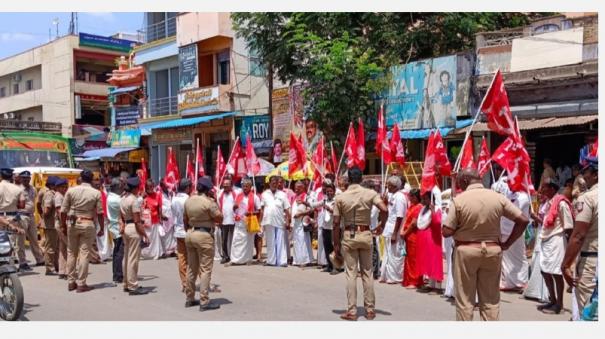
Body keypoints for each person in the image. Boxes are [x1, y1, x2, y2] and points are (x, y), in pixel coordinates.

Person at [442, 169, 529, 321]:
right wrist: (507, 243)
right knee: (490, 301)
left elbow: (447, 231)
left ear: (464, 181)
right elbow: (523, 220)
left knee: (465, 301)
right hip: (492, 250)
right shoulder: (498, 198)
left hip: (466, 251)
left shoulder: (459, 200)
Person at [332, 167, 388, 321]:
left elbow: (336, 223)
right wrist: (382, 225)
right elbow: (384, 208)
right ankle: (370, 310)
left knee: (351, 273)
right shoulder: (370, 193)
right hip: (366, 234)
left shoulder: (341, 197)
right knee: (367, 273)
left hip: (349, 236)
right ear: (361, 178)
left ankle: (351, 311)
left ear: (349, 179)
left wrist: (335, 244)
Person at [562, 158, 598, 319]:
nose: (584, 177)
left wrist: (565, 265)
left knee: (590, 312)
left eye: (586, 172)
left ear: (596, 175)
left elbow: (578, 235)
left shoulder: (588, 198)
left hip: (593, 261)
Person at [60, 170, 104, 293]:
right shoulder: (96, 193)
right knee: (84, 253)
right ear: (91, 179)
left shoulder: (71, 190)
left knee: (71, 252)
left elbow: (63, 211)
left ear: (81, 178)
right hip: (87, 222)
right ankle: (81, 283)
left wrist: (63, 225)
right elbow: (100, 213)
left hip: (72, 223)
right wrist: (102, 228)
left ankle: (71, 281)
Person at [183, 176, 223, 311]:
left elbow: (185, 219)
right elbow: (219, 218)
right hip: (204, 235)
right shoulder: (209, 202)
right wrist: (215, 202)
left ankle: (189, 298)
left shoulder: (189, 201)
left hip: (190, 233)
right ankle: (204, 301)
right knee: (205, 269)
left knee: (191, 268)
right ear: (208, 190)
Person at [536, 180, 573, 314]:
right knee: (544, 271)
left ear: (552, 188)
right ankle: (552, 300)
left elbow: (569, 227)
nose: (542, 190)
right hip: (546, 240)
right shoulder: (548, 203)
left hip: (556, 241)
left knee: (557, 274)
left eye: (545, 187)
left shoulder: (561, 203)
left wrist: (570, 248)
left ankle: (559, 305)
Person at [493, 184, 530, 291]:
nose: (509, 183)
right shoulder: (508, 194)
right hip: (504, 228)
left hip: (516, 230)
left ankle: (521, 282)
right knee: (505, 258)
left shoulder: (523, 197)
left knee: (519, 256)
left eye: (511, 180)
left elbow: (515, 211)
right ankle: (508, 282)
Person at [120, 176, 150, 295]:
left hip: (126, 227)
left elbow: (121, 217)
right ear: (136, 188)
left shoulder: (123, 198)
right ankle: (133, 285)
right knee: (133, 258)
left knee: (126, 257)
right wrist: (144, 234)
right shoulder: (134, 200)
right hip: (133, 228)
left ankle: (126, 283)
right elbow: (137, 221)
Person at [379, 176, 406, 284]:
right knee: (387, 253)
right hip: (388, 228)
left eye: (389, 185)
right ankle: (385, 275)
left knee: (394, 253)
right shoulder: (392, 196)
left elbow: (399, 216)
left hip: (395, 229)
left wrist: (395, 233)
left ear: (395, 186)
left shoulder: (400, 197)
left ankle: (395, 277)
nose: (387, 187)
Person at [15, 171, 45, 269]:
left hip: (31, 216)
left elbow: (34, 201)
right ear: (20, 179)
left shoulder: (33, 189)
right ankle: (22, 262)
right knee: (21, 240)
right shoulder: (18, 189)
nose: (26, 179)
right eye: (24, 178)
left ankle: (39, 259)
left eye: (28, 178)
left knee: (34, 239)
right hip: (21, 215)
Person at [416, 190, 444, 291]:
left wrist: (432, 211)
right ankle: (431, 285)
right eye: (423, 198)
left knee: (434, 260)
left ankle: (437, 286)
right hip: (423, 238)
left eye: (426, 198)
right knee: (427, 261)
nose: (423, 200)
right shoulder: (423, 209)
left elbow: (437, 223)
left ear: (431, 199)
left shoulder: (437, 209)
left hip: (433, 239)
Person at [260, 176, 291, 267]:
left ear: (278, 184)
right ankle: (271, 261)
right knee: (270, 241)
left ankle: (282, 261)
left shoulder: (282, 194)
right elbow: (262, 209)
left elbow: (286, 209)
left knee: (280, 240)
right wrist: (260, 222)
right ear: (269, 183)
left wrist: (288, 221)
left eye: (276, 183)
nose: (274, 184)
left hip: (279, 220)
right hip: (268, 220)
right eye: (272, 183)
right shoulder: (264, 194)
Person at [229, 178, 261, 265]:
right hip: (239, 222)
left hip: (249, 221)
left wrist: (250, 212)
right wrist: (234, 207)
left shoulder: (255, 197)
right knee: (236, 240)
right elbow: (234, 209)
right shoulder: (238, 196)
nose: (245, 188)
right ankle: (235, 260)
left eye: (247, 186)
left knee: (248, 241)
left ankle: (247, 259)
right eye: (243, 186)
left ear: (250, 187)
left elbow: (259, 210)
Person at [0, 169, 26, 271]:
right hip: (12, 217)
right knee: (11, 242)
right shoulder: (18, 189)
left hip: (1, 217)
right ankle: (11, 264)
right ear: (11, 177)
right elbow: (22, 205)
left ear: (1, 176)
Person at [400, 189, 424, 288]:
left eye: (411, 196)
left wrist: (405, 232)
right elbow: (406, 219)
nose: (409, 198)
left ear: (415, 197)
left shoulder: (418, 207)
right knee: (409, 258)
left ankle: (415, 281)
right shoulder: (411, 206)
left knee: (414, 258)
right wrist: (402, 230)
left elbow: (413, 223)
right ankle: (409, 279)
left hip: (414, 235)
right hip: (408, 235)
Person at [172, 178, 192, 292]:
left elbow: (174, 213)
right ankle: (192, 282)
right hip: (187, 230)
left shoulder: (174, 199)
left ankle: (184, 283)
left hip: (178, 230)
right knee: (193, 258)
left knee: (182, 258)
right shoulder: (188, 199)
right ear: (187, 188)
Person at [291, 181, 314, 267]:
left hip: (302, 222)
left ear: (303, 187)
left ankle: (304, 260)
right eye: (295, 187)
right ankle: (297, 260)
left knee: (303, 240)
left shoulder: (306, 196)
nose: (296, 189)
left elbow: (311, 209)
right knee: (296, 241)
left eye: (299, 187)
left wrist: (300, 214)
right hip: (295, 223)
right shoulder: (294, 196)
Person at [217, 178, 240, 264]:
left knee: (234, 239)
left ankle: (234, 256)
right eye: (224, 184)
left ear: (231, 185)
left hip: (233, 220)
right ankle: (225, 256)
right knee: (224, 240)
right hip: (224, 220)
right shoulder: (220, 194)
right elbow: (218, 207)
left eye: (227, 184)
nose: (225, 185)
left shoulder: (235, 194)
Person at [106, 178, 124, 283]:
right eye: (121, 186)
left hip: (115, 227)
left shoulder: (114, 197)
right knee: (118, 253)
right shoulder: (115, 199)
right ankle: (117, 275)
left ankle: (117, 274)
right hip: (117, 228)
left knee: (117, 252)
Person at [140, 179, 162, 260]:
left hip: (155, 220)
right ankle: (146, 254)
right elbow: (139, 207)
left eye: (152, 186)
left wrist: (160, 217)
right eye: (149, 187)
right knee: (147, 237)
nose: (151, 188)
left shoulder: (157, 195)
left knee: (154, 238)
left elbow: (159, 208)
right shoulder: (142, 196)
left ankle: (154, 254)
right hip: (145, 221)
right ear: (146, 187)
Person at [41, 175, 59, 275]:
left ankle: (55, 266)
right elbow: (47, 210)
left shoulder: (54, 194)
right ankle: (50, 268)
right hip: (50, 225)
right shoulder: (49, 194)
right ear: (52, 185)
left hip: (53, 224)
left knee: (55, 247)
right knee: (50, 248)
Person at [54, 178, 69, 279]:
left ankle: (62, 271)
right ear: (58, 188)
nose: (64, 189)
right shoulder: (58, 197)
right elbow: (60, 212)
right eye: (62, 187)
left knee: (63, 248)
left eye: (65, 187)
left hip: (61, 223)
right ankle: (68, 271)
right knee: (70, 247)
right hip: (60, 223)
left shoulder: (61, 196)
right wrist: (64, 225)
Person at [159, 179, 176, 257]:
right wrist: (161, 215)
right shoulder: (159, 194)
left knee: (171, 233)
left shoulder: (171, 193)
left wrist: (173, 195)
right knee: (164, 234)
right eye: (165, 186)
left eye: (167, 185)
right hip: (164, 215)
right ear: (161, 186)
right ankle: (164, 250)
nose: (167, 187)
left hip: (171, 215)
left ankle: (172, 250)